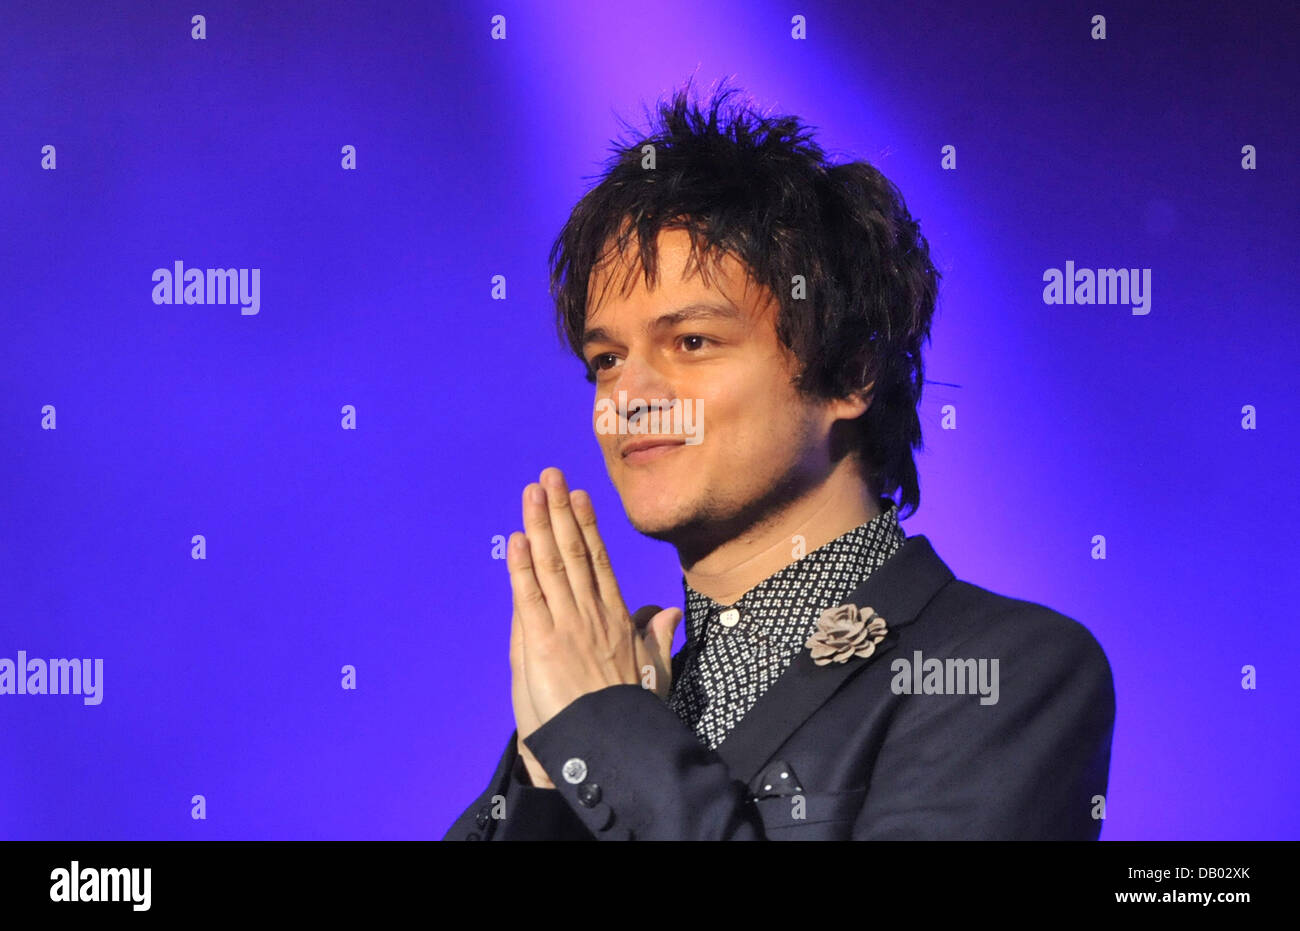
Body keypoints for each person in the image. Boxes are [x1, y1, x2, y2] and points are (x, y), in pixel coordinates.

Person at [443, 79, 1114, 841]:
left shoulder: (1008, 671)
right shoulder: (605, 693)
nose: (625, 396)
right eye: (605, 357)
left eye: (692, 341)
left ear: (851, 374)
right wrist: (550, 771)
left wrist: (601, 731)